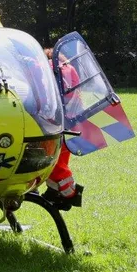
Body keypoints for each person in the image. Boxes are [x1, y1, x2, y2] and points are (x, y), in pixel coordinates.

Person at [42, 48, 83, 210]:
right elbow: (78, 93)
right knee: (63, 157)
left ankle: (70, 194)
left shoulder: (46, 67)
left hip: (53, 120)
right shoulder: (69, 68)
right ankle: (53, 192)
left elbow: (43, 94)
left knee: (52, 160)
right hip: (72, 121)